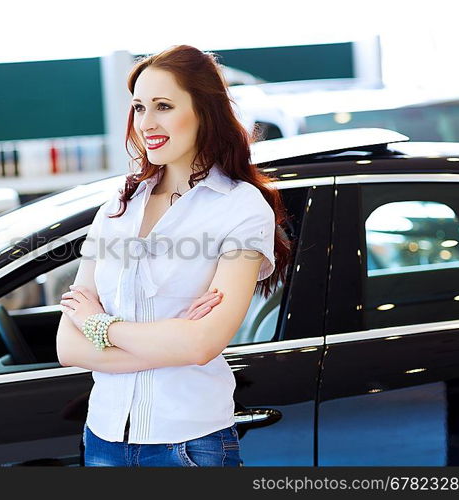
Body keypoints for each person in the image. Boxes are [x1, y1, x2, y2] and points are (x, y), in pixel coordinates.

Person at [56, 44, 291, 467]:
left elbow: (201, 344)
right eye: (139, 107)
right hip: (103, 438)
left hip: (188, 444)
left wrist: (98, 324)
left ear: (204, 110)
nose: (147, 123)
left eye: (163, 106)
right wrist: (170, 339)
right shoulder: (119, 203)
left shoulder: (240, 206)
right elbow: (68, 347)